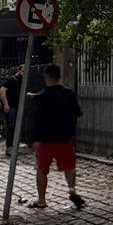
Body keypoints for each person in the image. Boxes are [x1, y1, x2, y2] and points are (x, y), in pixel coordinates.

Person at [25, 63, 83, 210]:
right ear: (59, 77)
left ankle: (42, 200)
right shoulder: (69, 94)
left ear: (46, 77)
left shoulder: (43, 96)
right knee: (69, 167)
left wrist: (32, 139)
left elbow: (35, 119)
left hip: (45, 140)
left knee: (42, 169)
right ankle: (72, 190)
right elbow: (77, 113)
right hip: (64, 139)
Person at [0, 64, 27, 155]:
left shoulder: (22, 81)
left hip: (17, 106)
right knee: (11, 126)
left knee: (15, 127)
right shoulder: (12, 79)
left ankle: (14, 146)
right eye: (23, 71)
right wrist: (6, 104)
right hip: (11, 107)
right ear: (18, 70)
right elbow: (2, 90)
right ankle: (9, 147)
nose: (24, 73)